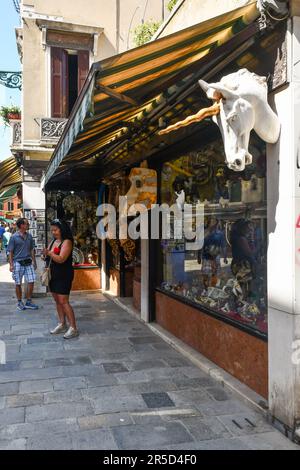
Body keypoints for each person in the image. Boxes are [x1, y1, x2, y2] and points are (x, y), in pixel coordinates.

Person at [42, 219, 78, 339]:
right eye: (52, 230)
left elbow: (61, 259)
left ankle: (73, 328)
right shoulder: (53, 241)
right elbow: (50, 255)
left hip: (63, 275)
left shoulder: (67, 242)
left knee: (63, 301)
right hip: (53, 274)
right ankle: (62, 323)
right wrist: (45, 255)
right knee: (57, 300)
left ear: (62, 229)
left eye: (55, 230)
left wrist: (50, 253)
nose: (53, 232)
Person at [8, 218, 39, 311]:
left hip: (28, 262)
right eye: (26, 224)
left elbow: (31, 249)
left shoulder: (29, 236)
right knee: (18, 283)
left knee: (32, 280)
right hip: (17, 262)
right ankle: (19, 302)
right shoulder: (14, 237)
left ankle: (28, 301)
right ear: (21, 225)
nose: (28, 225)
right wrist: (11, 264)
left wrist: (34, 261)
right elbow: (10, 252)